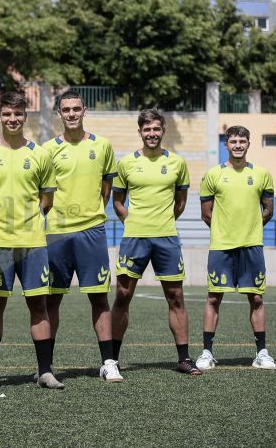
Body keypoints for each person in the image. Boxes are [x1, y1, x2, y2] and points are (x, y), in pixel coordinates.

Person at [0, 91, 63, 389]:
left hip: (33, 243)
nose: (12, 119)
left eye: (18, 114)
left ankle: (44, 371)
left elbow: (47, 199)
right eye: (7, 114)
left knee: (38, 305)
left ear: (26, 117)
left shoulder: (39, 154)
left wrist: (30, 221)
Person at [110, 109, 202, 376]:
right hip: (134, 238)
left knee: (176, 297)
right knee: (123, 296)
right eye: (147, 129)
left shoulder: (177, 163)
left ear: (163, 131)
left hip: (166, 238)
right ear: (140, 132)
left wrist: (162, 221)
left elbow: (181, 202)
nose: (152, 134)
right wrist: (133, 220)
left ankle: (184, 358)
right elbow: (117, 201)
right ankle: (112, 360)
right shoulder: (126, 163)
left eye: (156, 129)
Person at [42, 91, 122, 382]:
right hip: (56, 233)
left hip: (92, 231)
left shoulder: (102, 146)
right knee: (51, 300)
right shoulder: (48, 149)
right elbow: (43, 192)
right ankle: (46, 365)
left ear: (84, 110)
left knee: (99, 297)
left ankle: (108, 362)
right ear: (59, 113)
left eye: (76, 108)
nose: (72, 114)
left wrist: (92, 213)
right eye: (66, 109)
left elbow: (107, 185)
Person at [196, 125, 276, 370]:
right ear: (226, 145)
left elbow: (268, 210)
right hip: (221, 247)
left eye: (242, 141)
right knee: (213, 298)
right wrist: (226, 230)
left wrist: (249, 228)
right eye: (233, 141)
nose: (238, 145)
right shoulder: (213, 175)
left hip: (252, 246)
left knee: (256, 298)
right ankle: (207, 353)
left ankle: (261, 352)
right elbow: (206, 214)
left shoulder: (262, 174)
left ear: (248, 144)